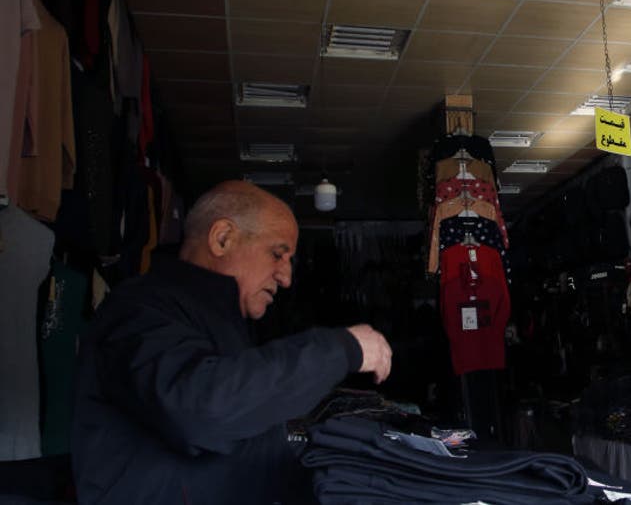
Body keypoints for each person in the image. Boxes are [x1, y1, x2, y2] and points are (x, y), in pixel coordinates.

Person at [72, 181, 394, 504]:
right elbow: (203, 408)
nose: (286, 277)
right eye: (277, 254)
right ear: (222, 238)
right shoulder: (138, 310)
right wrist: (340, 350)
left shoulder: (216, 322)